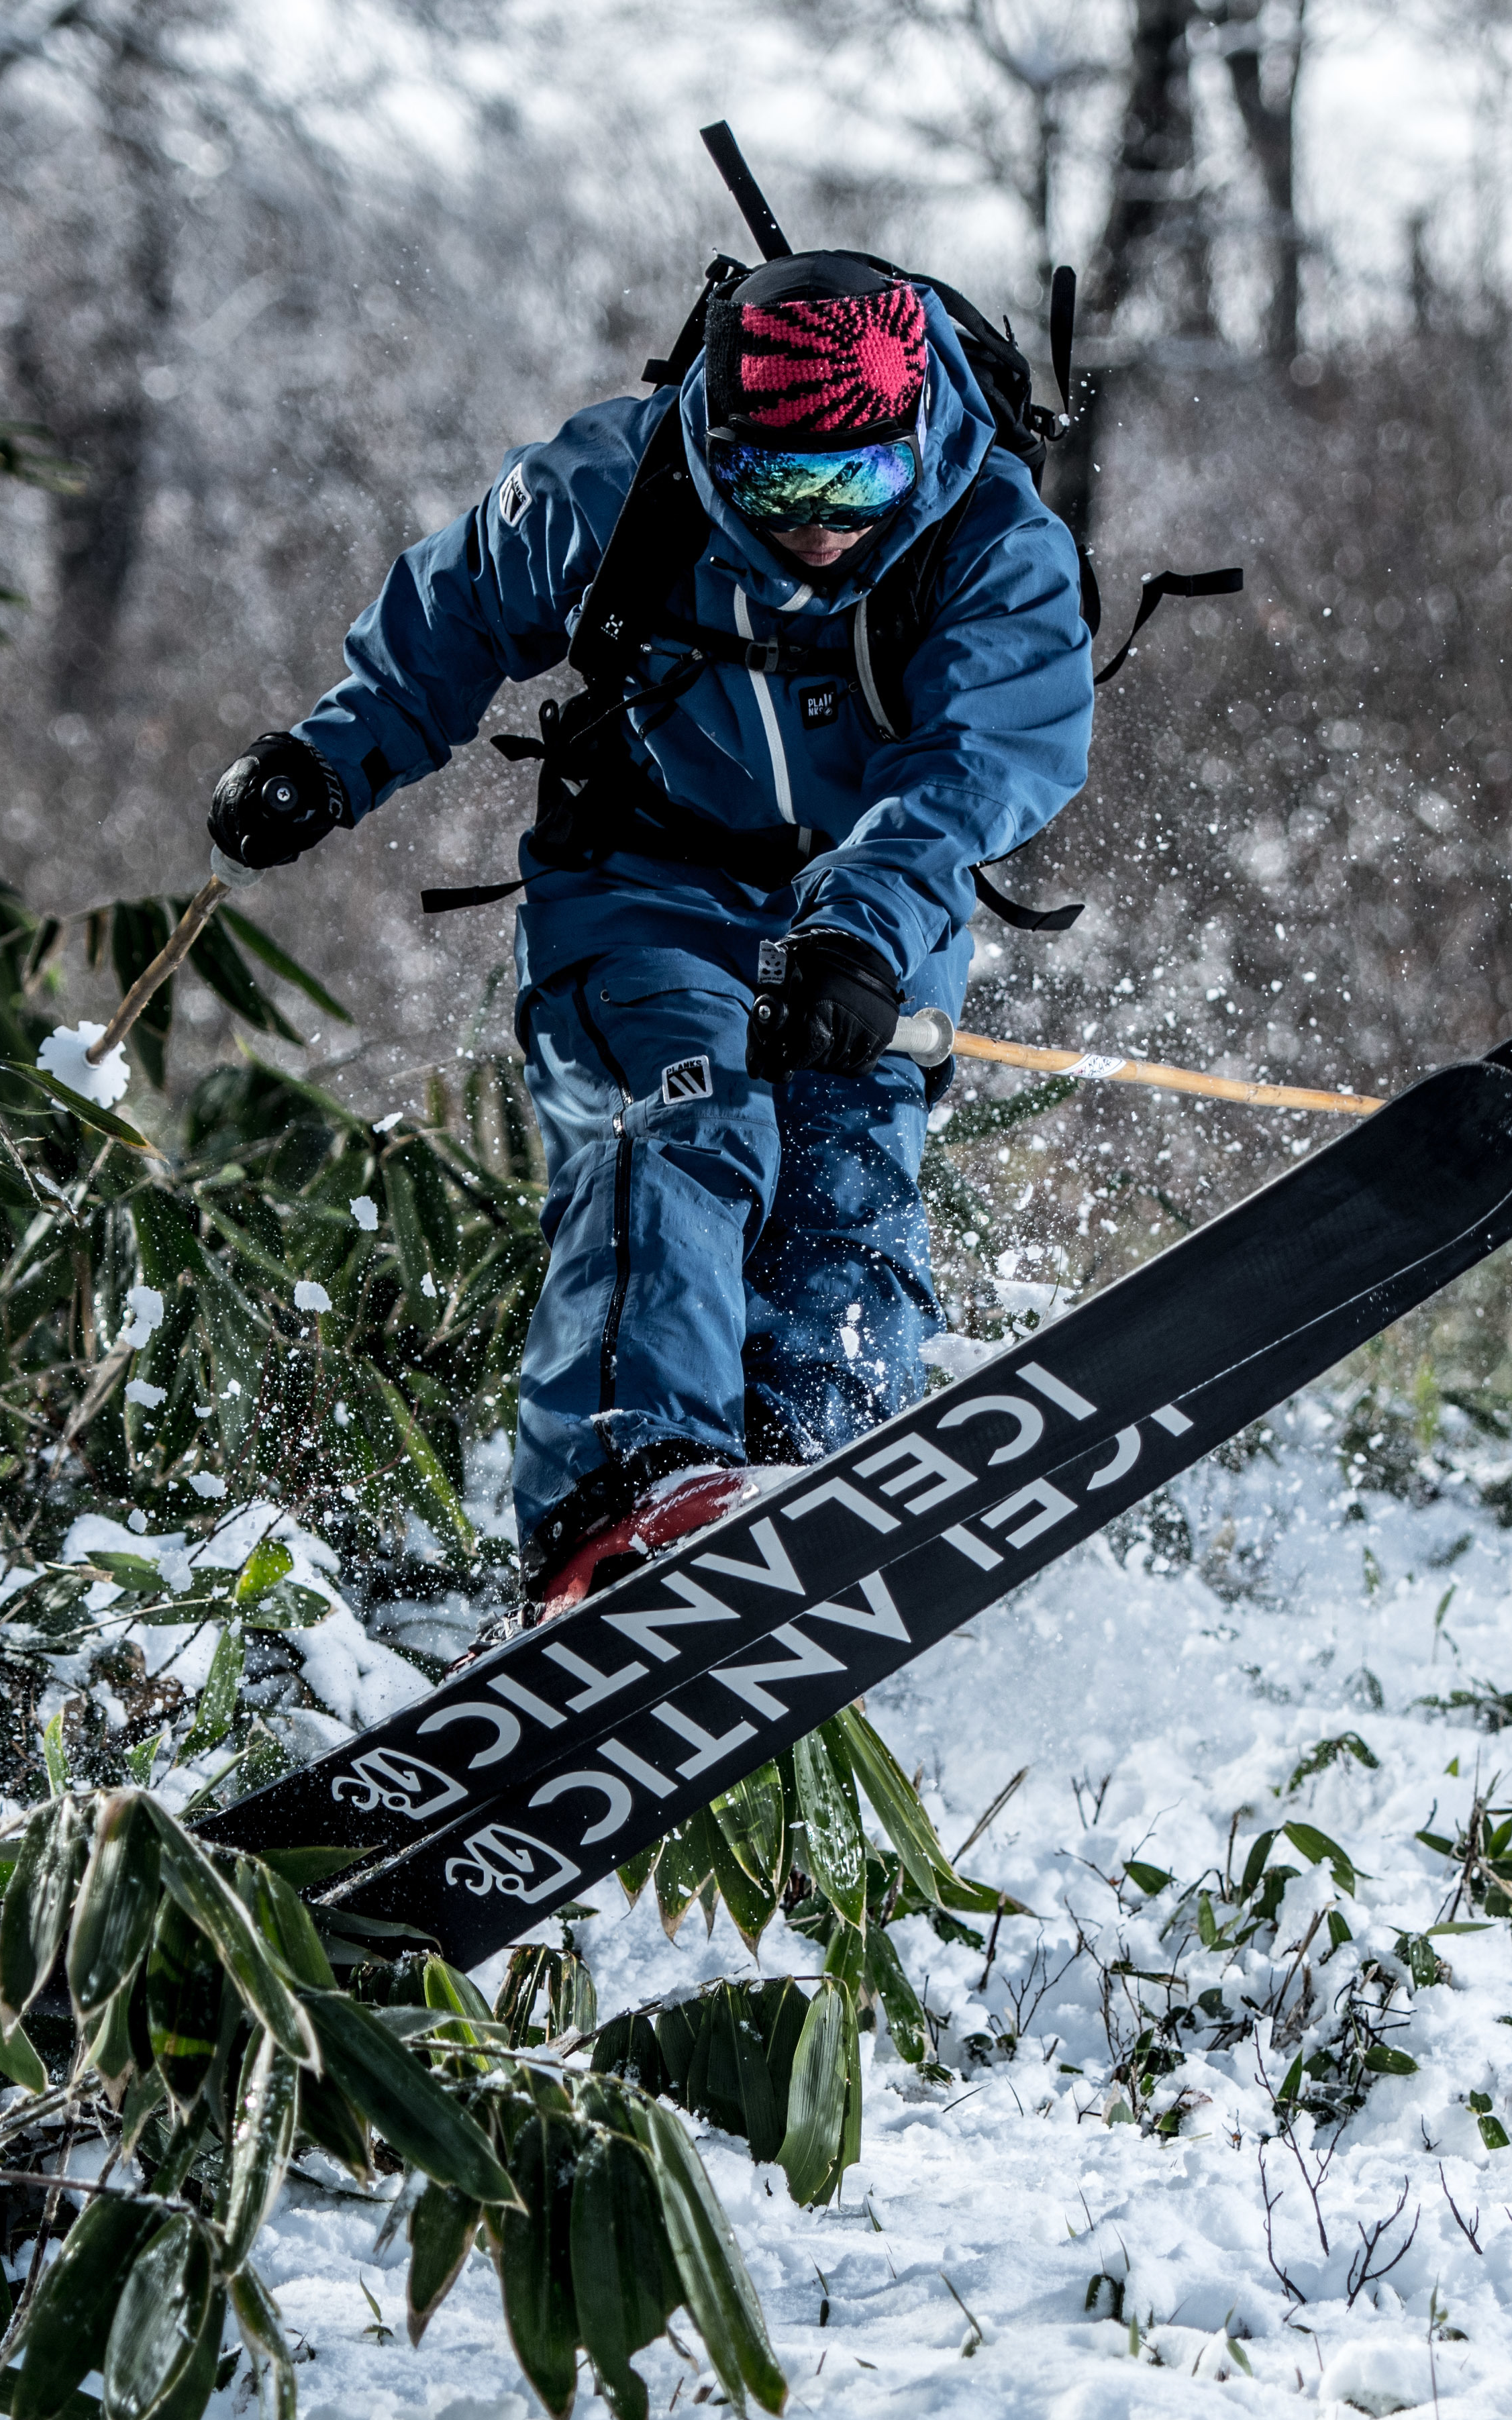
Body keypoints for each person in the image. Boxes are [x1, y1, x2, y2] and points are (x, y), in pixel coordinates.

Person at [205, 252, 1094, 1620]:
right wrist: (327, 760)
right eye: (781, 485)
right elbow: (448, 620)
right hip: (641, 887)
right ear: (718, 444)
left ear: (913, 442)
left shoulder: (994, 540)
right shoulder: (609, 485)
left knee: (846, 1194)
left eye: (855, 486)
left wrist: (855, 939)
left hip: (868, 920)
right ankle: (624, 1505)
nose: (816, 525)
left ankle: (823, 1483)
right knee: (676, 1131)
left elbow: (976, 768)